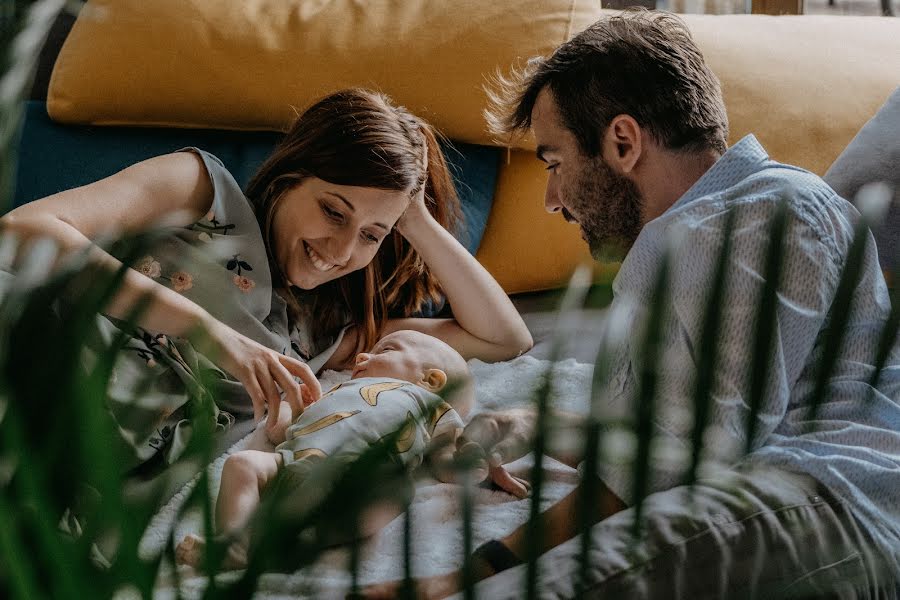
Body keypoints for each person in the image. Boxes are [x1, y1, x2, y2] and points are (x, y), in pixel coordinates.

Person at [363, 10, 900, 599]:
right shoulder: (723, 223)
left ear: (622, 141)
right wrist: (536, 426)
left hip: (830, 505)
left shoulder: (753, 220)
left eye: (554, 162)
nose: (550, 199)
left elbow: (675, 461)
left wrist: (467, 571)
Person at [0, 88, 532, 474]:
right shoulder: (202, 188)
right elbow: (23, 230)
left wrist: (411, 215)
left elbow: (503, 338)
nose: (343, 250)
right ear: (289, 174)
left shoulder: (330, 335)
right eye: (333, 210)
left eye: (371, 235)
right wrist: (211, 333)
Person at [175, 329, 475, 570]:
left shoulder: (433, 405)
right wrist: (294, 409)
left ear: (431, 379)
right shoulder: (335, 390)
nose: (362, 354)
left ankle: (306, 540)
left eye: (386, 350)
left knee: (398, 491)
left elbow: (445, 456)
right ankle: (235, 542)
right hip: (294, 461)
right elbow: (279, 433)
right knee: (242, 463)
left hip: (359, 477)